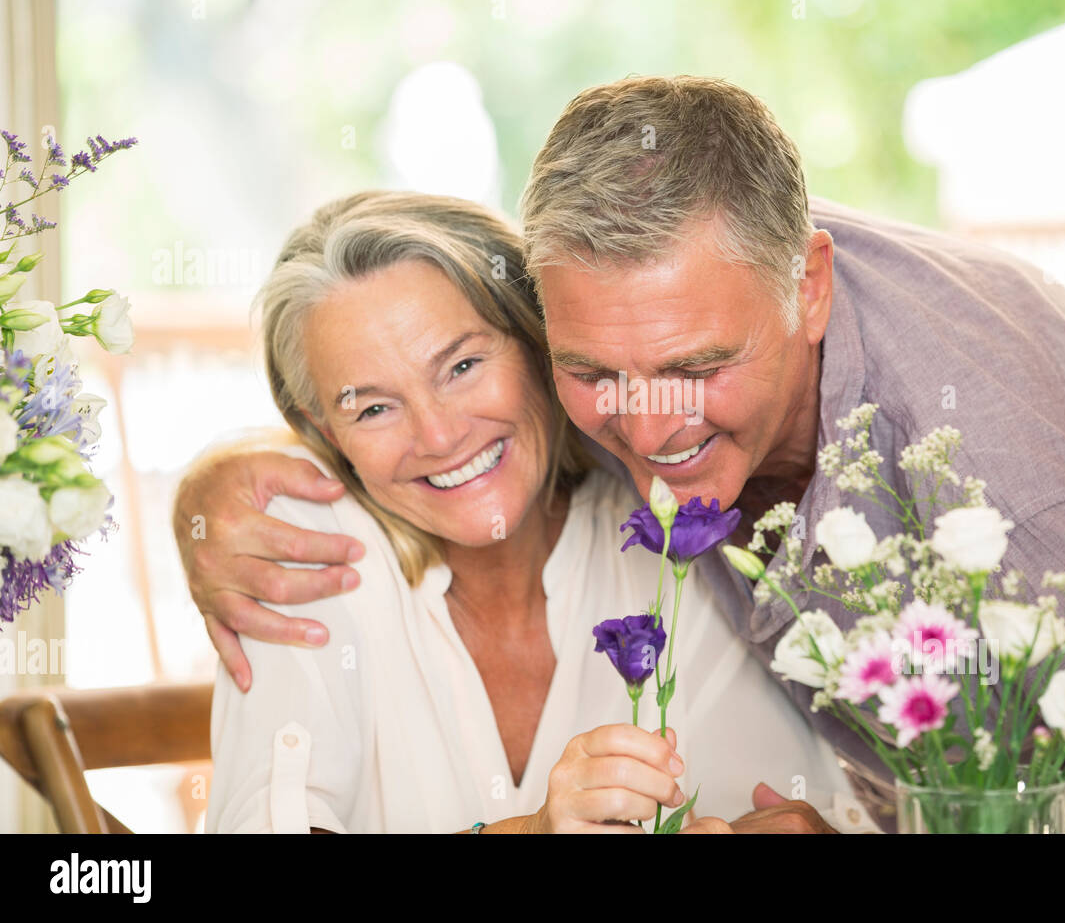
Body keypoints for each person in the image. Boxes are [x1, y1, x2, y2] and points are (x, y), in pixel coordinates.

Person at [179, 76, 1065, 833]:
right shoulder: (603, 350)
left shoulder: (1013, 474)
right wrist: (210, 487)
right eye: (593, 374)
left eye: (697, 365)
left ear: (806, 287)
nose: (652, 428)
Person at [201, 190, 867, 834]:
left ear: (542, 347)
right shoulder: (300, 556)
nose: (438, 436)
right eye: (372, 408)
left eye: (462, 365)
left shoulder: (670, 538)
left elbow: (798, 806)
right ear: (323, 430)